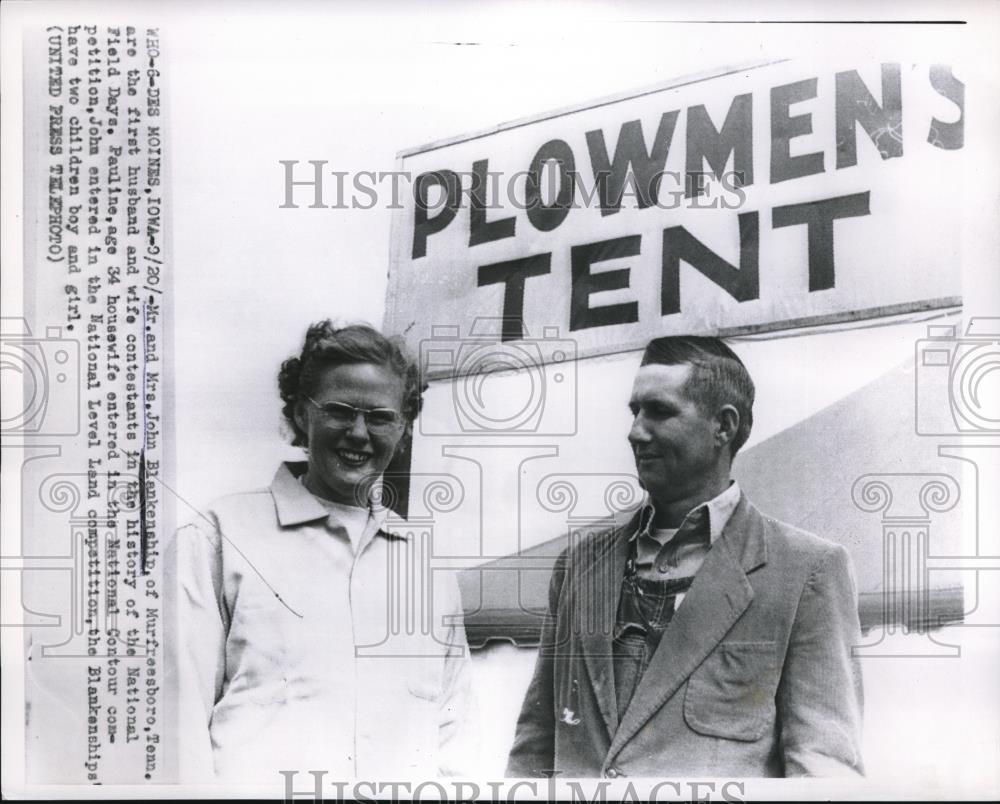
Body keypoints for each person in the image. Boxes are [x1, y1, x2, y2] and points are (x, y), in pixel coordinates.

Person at [506, 335, 864, 778]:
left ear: (724, 427)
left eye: (659, 411)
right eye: (634, 411)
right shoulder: (577, 567)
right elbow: (534, 749)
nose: (635, 431)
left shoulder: (806, 570)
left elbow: (822, 770)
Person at [167, 321, 476, 782]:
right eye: (339, 411)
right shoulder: (217, 538)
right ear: (299, 415)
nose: (358, 432)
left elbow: (456, 740)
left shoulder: (427, 566)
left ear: (405, 428)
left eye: (379, 417)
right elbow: (175, 727)